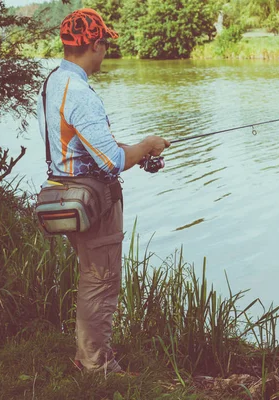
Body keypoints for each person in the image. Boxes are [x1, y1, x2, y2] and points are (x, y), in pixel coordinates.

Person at [37, 8, 170, 374]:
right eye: (105, 43)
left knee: (92, 276)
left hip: (64, 194)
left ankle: (90, 356)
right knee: (101, 281)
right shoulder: (80, 92)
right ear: (95, 44)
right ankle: (96, 366)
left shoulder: (54, 82)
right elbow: (110, 161)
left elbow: (86, 148)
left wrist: (136, 151)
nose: (106, 50)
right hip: (93, 202)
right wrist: (147, 145)